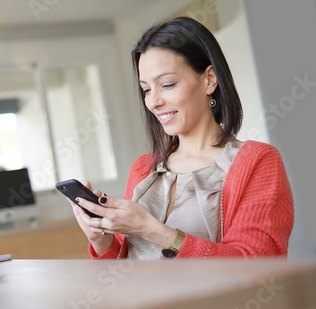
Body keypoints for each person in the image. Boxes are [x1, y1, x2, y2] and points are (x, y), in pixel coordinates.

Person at [69, 17, 294, 259]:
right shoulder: (143, 169)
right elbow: (123, 267)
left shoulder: (257, 161)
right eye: (146, 89)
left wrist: (154, 231)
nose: (153, 102)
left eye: (167, 84)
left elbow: (255, 263)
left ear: (209, 79)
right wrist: (101, 239)